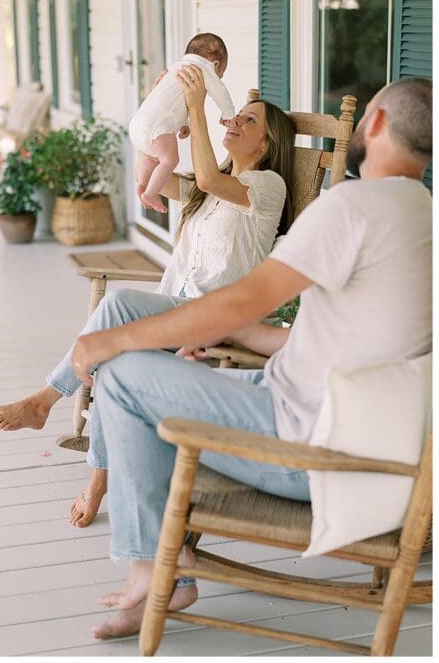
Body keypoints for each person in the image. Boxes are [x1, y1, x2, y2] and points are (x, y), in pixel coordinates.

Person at [70, 77, 431, 640]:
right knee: (143, 360)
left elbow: (240, 296)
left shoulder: (354, 205)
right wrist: (234, 331)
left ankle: (153, 571)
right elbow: (309, 337)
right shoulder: (420, 215)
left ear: (377, 123)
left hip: (303, 448)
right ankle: (161, 561)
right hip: (353, 443)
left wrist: (112, 340)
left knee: (120, 375)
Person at [0, 63, 297, 529]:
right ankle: (96, 481)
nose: (233, 121)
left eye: (247, 121)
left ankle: (44, 401)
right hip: (180, 308)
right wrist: (160, 118)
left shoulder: (266, 187)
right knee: (116, 360)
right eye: (236, 116)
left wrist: (197, 102)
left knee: (119, 307)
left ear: (267, 144)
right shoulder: (206, 187)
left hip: (214, 315)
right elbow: (148, 177)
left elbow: (212, 179)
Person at [133, 33, 235, 212]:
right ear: (216, 64)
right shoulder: (204, 69)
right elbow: (220, 92)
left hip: (138, 122)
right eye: (221, 74)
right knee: (169, 160)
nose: (218, 78)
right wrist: (228, 113)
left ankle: (142, 184)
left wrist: (184, 123)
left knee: (150, 156)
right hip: (158, 127)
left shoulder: (175, 69)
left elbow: (176, 104)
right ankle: (151, 193)